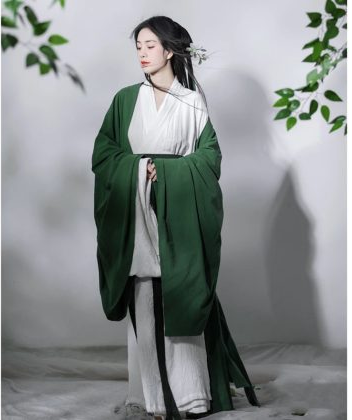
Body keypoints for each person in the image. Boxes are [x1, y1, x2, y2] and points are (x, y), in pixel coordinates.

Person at [91, 15, 261, 420]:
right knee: (144, 295)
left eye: (150, 45)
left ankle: (191, 397)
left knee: (181, 295)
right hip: (138, 211)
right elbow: (104, 154)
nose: (142, 53)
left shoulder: (192, 102)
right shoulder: (125, 100)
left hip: (178, 213)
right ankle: (152, 398)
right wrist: (138, 170)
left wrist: (166, 173)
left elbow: (209, 159)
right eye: (138, 47)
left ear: (169, 50)